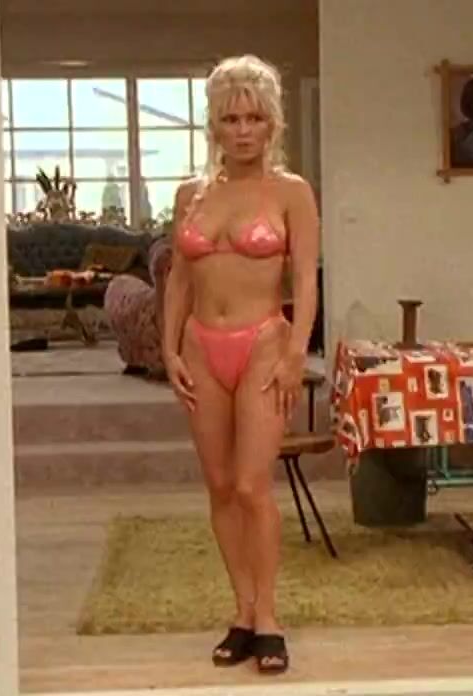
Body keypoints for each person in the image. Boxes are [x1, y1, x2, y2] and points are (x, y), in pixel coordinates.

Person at [160, 54, 319, 676]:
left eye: (255, 118)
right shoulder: (191, 195)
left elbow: (305, 281)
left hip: (262, 346)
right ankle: (243, 612)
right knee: (221, 487)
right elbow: (178, 278)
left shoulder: (291, 192)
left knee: (253, 486)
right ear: (214, 126)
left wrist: (296, 352)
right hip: (201, 346)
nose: (243, 130)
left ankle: (271, 617)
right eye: (231, 119)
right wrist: (168, 349)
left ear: (273, 124)